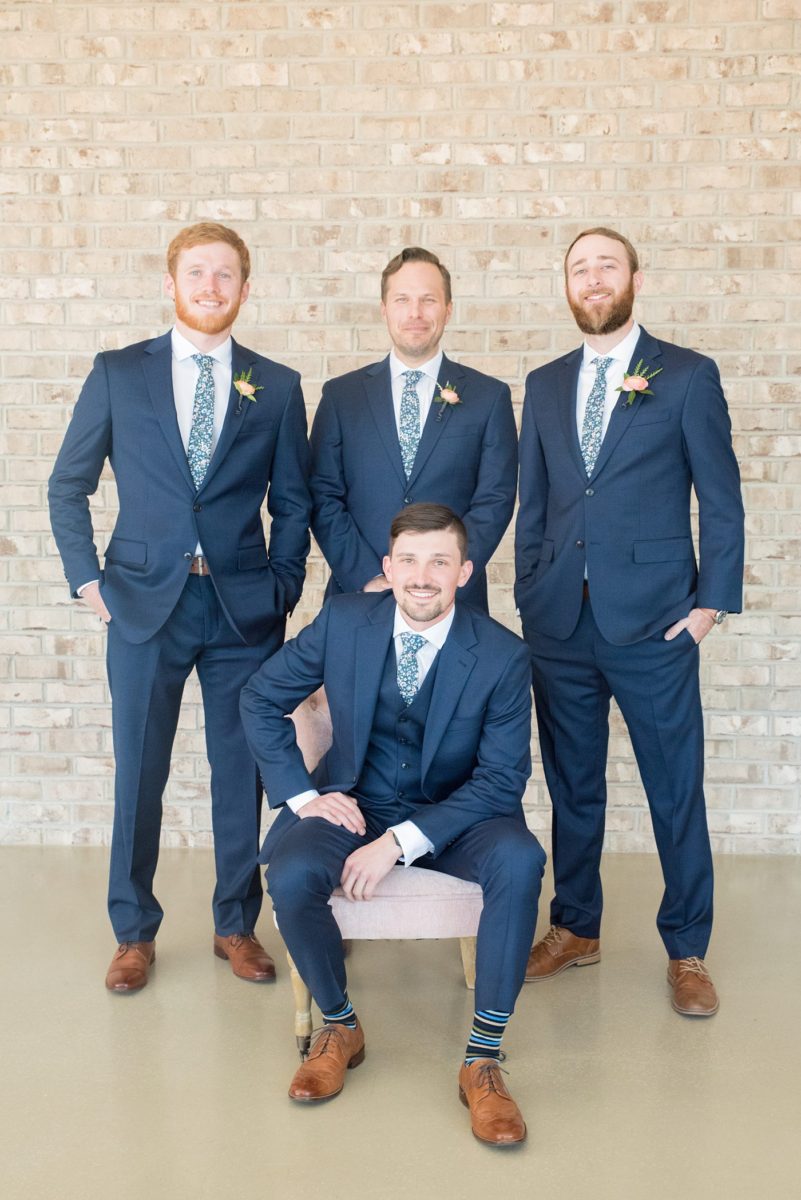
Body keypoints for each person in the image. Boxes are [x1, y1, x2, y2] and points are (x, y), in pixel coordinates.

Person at [48, 222, 311, 993]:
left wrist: (282, 586)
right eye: (196, 273)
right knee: (140, 770)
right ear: (171, 283)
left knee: (243, 772)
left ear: (244, 288)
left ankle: (236, 923)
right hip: (139, 606)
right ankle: (133, 930)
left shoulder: (278, 384)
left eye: (225, 274)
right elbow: (69, 484)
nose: (210, 286)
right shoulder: (119, 372)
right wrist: (88, 581)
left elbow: (292, 504)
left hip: (241, 609)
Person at [240, 504, 544, 1146]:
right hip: (359, 802)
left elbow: (499, 781)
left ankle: (482, 1060)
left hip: (460, 815)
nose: (422, 575)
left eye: (439, 561)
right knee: (292, 872)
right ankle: (341, 1024)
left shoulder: (503, 656)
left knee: (520, 861)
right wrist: (301, 796)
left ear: (465, 571)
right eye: (408, 560)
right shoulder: (346, 621)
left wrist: (398, 844)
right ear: (388, 567)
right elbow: (261, 697)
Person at [515, 227, 744, 1016]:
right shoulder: (543, 385)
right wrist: (527, 592)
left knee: (673, 788)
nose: (592, 279)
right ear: (567, 286)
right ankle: (575, 927)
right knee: (571, 787)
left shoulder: (683, 376)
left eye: (605, 265)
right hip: (558, 625)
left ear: (634, 279)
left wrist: (709, 604)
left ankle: (686, 947)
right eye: (579, 269)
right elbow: (536, 501)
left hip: (654, 623)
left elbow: (718, 497)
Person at [309, 246, 517, 613]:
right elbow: (323, 495)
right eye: (402, 299)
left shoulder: (489, 397)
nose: (415, 313)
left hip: (455, 601)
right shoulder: (342, 396)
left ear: (448, 309)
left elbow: (495, 499)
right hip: (360, 596)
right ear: (384, 309)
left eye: (429, 300)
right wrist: (368, 577)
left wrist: (446, 573)